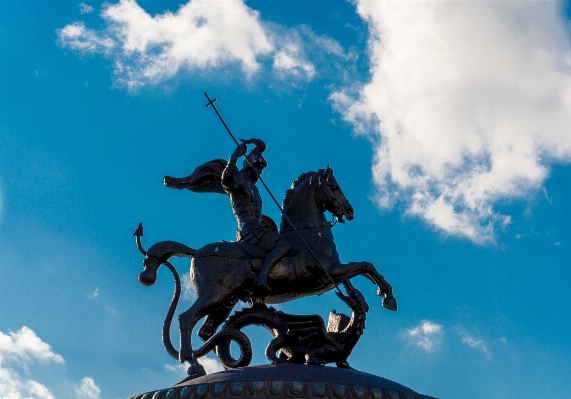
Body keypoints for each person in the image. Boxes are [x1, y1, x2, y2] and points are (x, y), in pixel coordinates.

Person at [221, 139, 290, 293]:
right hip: (249, 228)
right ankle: (262, 277)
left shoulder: (253, 186)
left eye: (261, 170)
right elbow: (226, 182)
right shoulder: (240, 180)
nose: (260, 173)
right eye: (258, 168)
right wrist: (234, 157)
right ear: (250, 166)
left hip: (257, 226)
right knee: (283, 246)